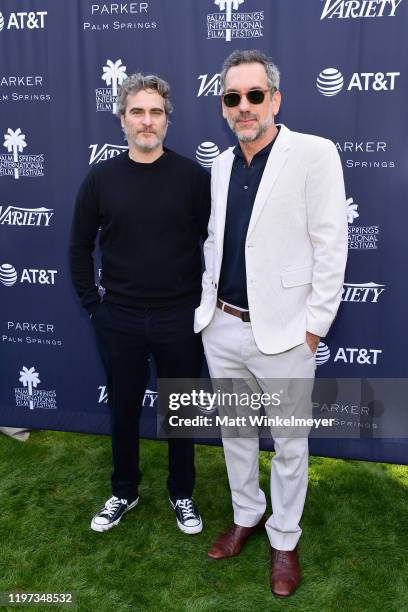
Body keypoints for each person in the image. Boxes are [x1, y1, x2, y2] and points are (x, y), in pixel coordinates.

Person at [194, 50, 348, 597]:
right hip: (224, 328)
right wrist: (208, 315)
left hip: (286, 335)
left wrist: (315, 327)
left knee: (289, 443)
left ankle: (284, 539)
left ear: (275, 99)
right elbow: (217, 240)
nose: (244, 106)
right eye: (233, 98)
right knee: (235, 434)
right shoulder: (220, 164)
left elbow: (332, 244)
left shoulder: (313, 154)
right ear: (223, 107)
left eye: (254, 95)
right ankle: (247, 514)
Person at [70, 73, 210, 535]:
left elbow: (216, 245)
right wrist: (95, 307)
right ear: (122, 120)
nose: (146, 121)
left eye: (155, 112)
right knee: (124, 408)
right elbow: (78, 247)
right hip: (120, 318)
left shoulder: (193, 177)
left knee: (181, 410)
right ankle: (124, 490)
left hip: (179, 317)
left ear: (167, 121)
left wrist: (200, 306)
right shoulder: (101, 178)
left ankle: (182, 493)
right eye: (137, 112)